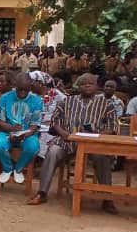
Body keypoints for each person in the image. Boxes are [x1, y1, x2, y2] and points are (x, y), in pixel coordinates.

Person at [31, 73, 118, 212]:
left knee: (103, 157)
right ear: (78, 86)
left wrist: (99, 136)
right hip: (68, 141)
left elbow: (113, 127)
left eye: (91, 83)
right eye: (84, 83)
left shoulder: (106, 104)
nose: (87, 86)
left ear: (97, 86)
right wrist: (62, 133)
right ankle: (42, 193)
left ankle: (107, 198)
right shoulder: (66, 101)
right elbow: (55, 121)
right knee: (53, 151)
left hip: (94, 144)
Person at [0, 73, 43, 185]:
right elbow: (0, 122)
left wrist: (22, 136)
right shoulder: (4, 98)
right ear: (15, 86)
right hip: (6, 132)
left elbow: (34, 126)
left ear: (30, 86)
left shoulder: (37, 101)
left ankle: (18, 168)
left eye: (26, 90)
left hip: (28, 134)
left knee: (33, 147)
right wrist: (12, 129)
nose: (22, 92)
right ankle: (7, 168)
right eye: (20, 89)